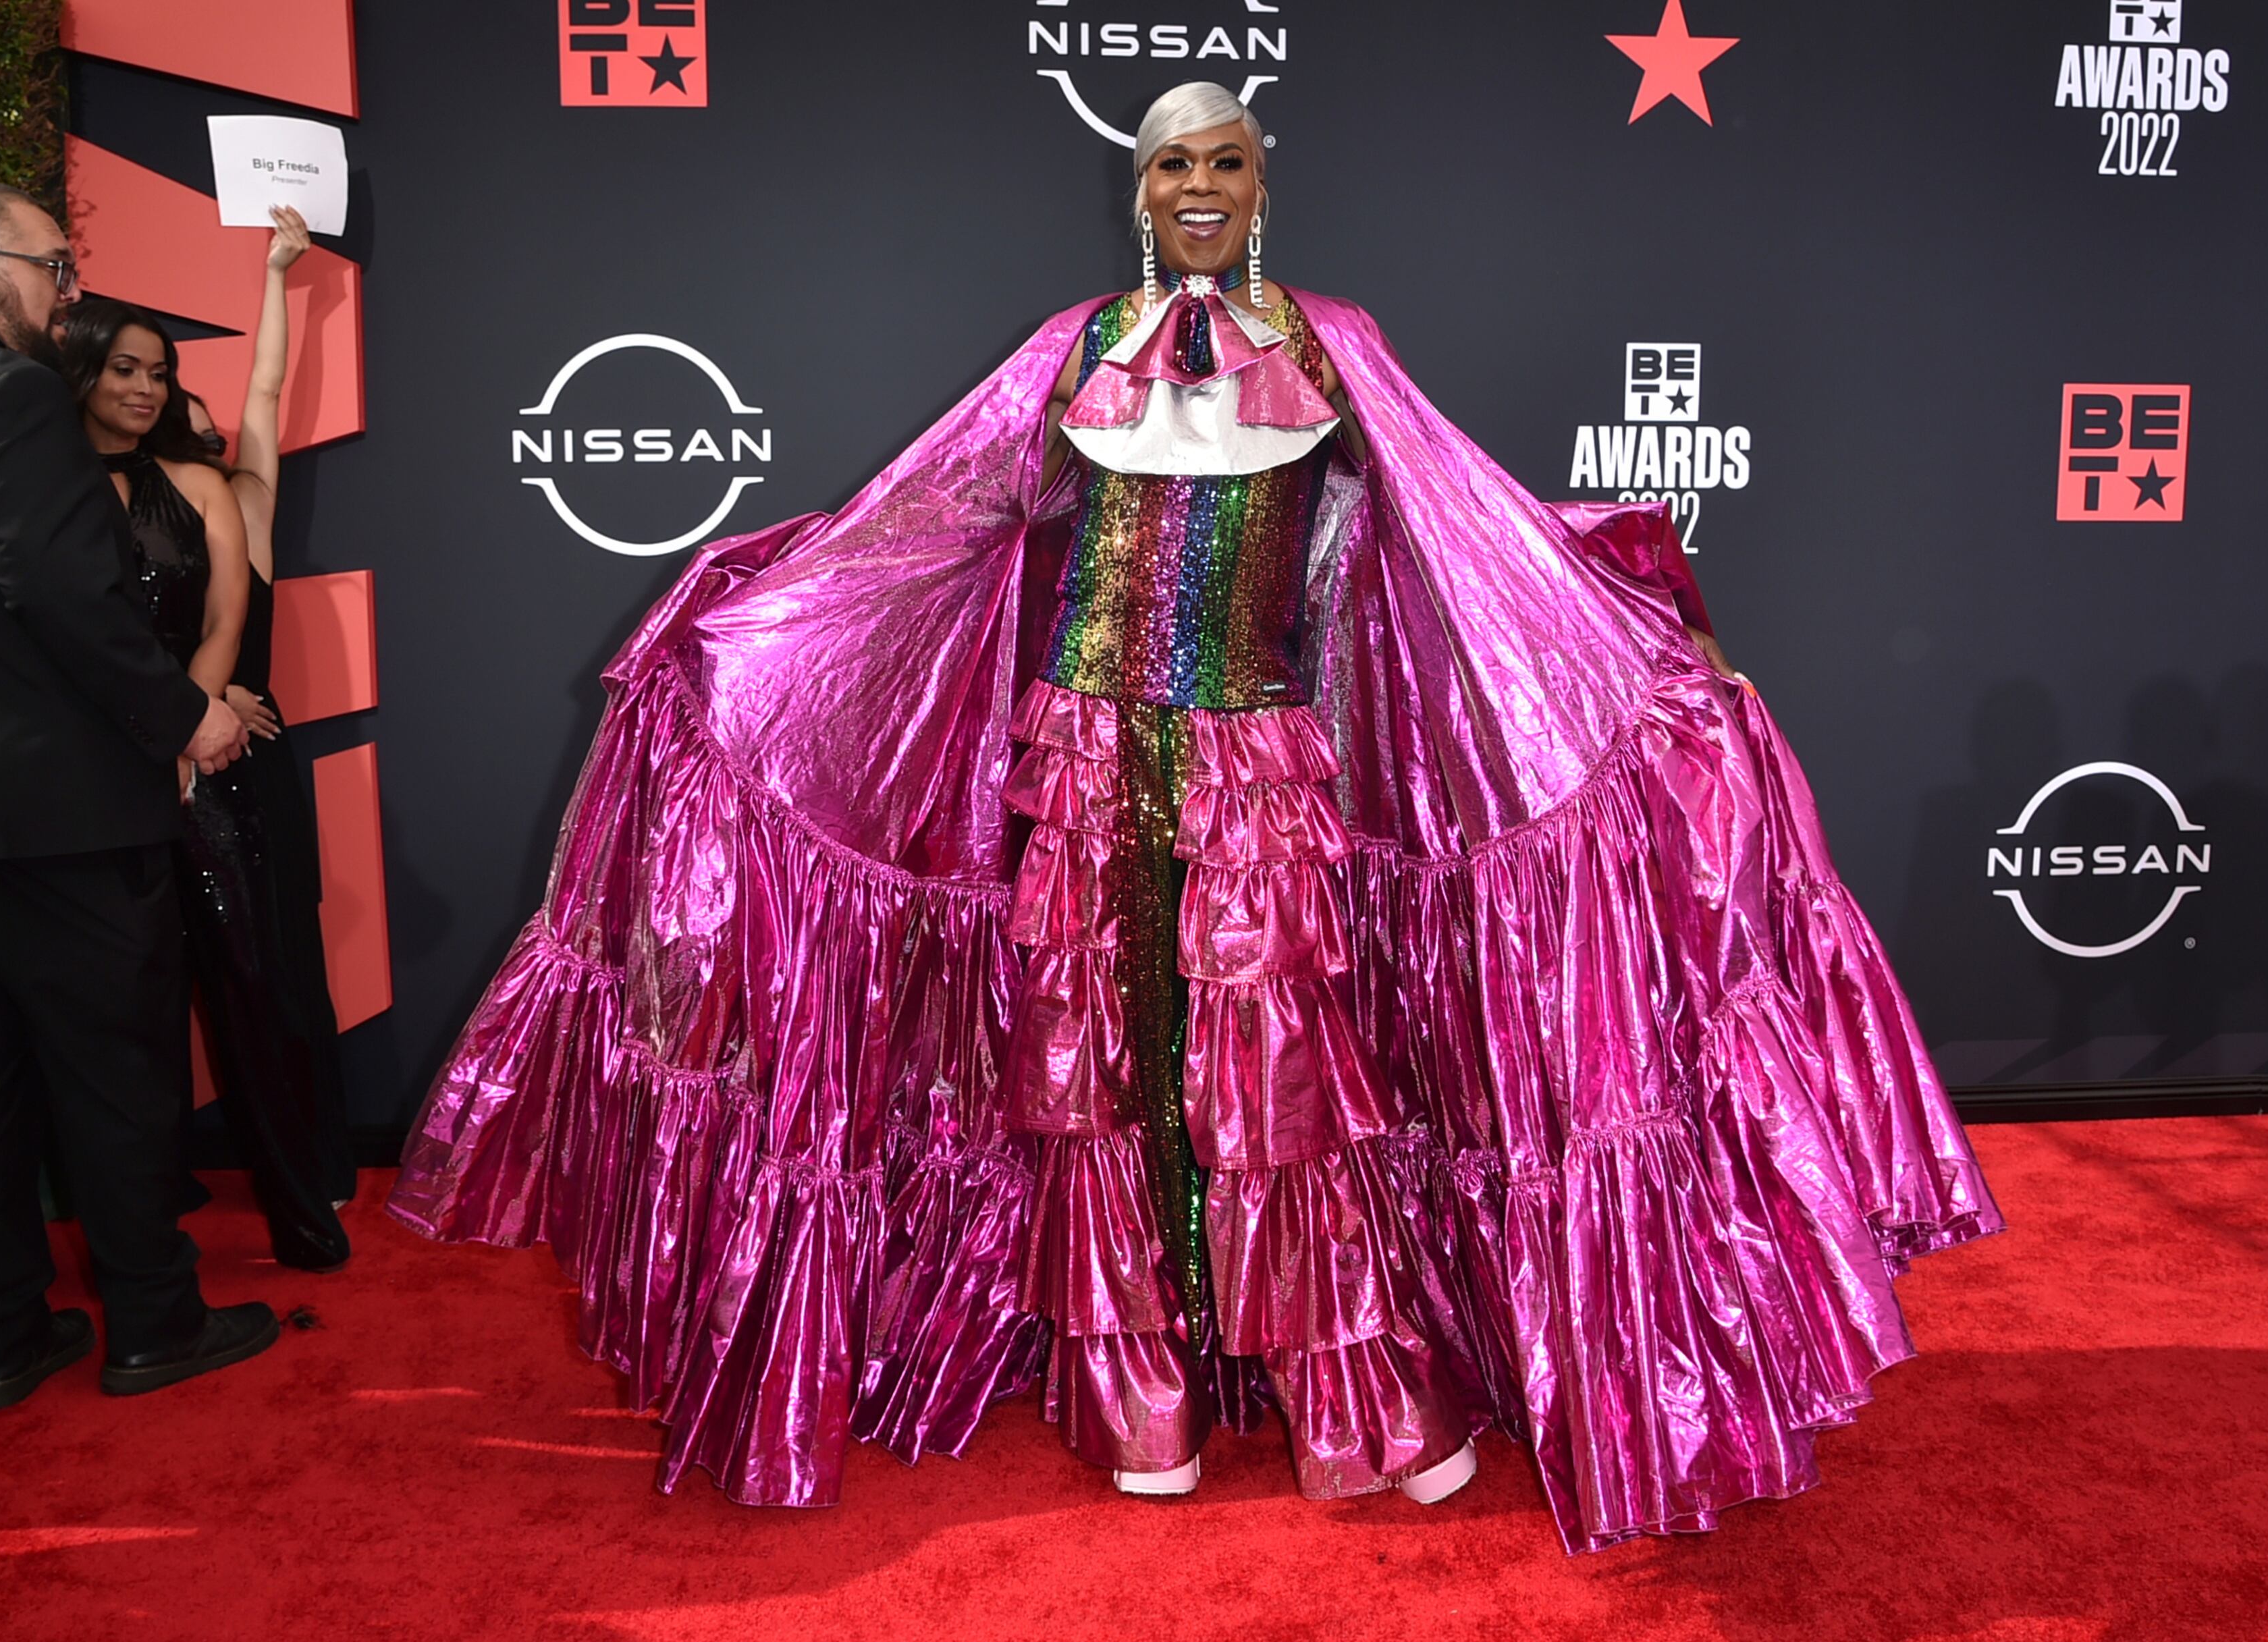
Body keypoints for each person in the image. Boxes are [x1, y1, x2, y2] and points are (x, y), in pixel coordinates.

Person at [389, 84, 2000, 1552]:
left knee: (1284, 1070)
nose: (1202, 185)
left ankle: (1348, 1387)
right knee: (1113, 1064)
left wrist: (1631, 627)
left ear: (1262, 182)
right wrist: (765, 610)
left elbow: (1458, 515)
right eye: (1173, 163)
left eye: (1227, 159)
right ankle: (1134, 1382)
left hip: (1257, 756)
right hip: (1087, 766)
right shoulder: (1075, 348)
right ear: (1140, 192)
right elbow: (939, 514)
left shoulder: (1336, 341)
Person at [0, 180, 278, 1408]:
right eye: (48, 267)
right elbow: (60, 589)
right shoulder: (10, 391)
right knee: (116, 1067)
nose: (64, 295)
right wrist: (187, 713)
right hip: (59, 810)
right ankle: (151, 1317)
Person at [62, 296, 351, 1274]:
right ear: (84, 375)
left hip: (217, 767)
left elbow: (227, 613)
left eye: (159, 373)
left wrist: (193, 725)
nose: (146, 389)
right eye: (125, 371)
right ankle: (135, 1234)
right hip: (98, 777)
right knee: (120, 1010)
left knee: (255, 985)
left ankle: (305, 1203)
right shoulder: (44, 490)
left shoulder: (209, 487)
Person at [188, 205, 358, 1222]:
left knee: (282, 962)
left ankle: (313, 1164)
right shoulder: (107, 512)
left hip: (251, 760)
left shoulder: (245, 499)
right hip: (154, 762)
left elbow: (264, 387)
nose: (204, 427)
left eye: (208, 424)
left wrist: (279, 275)